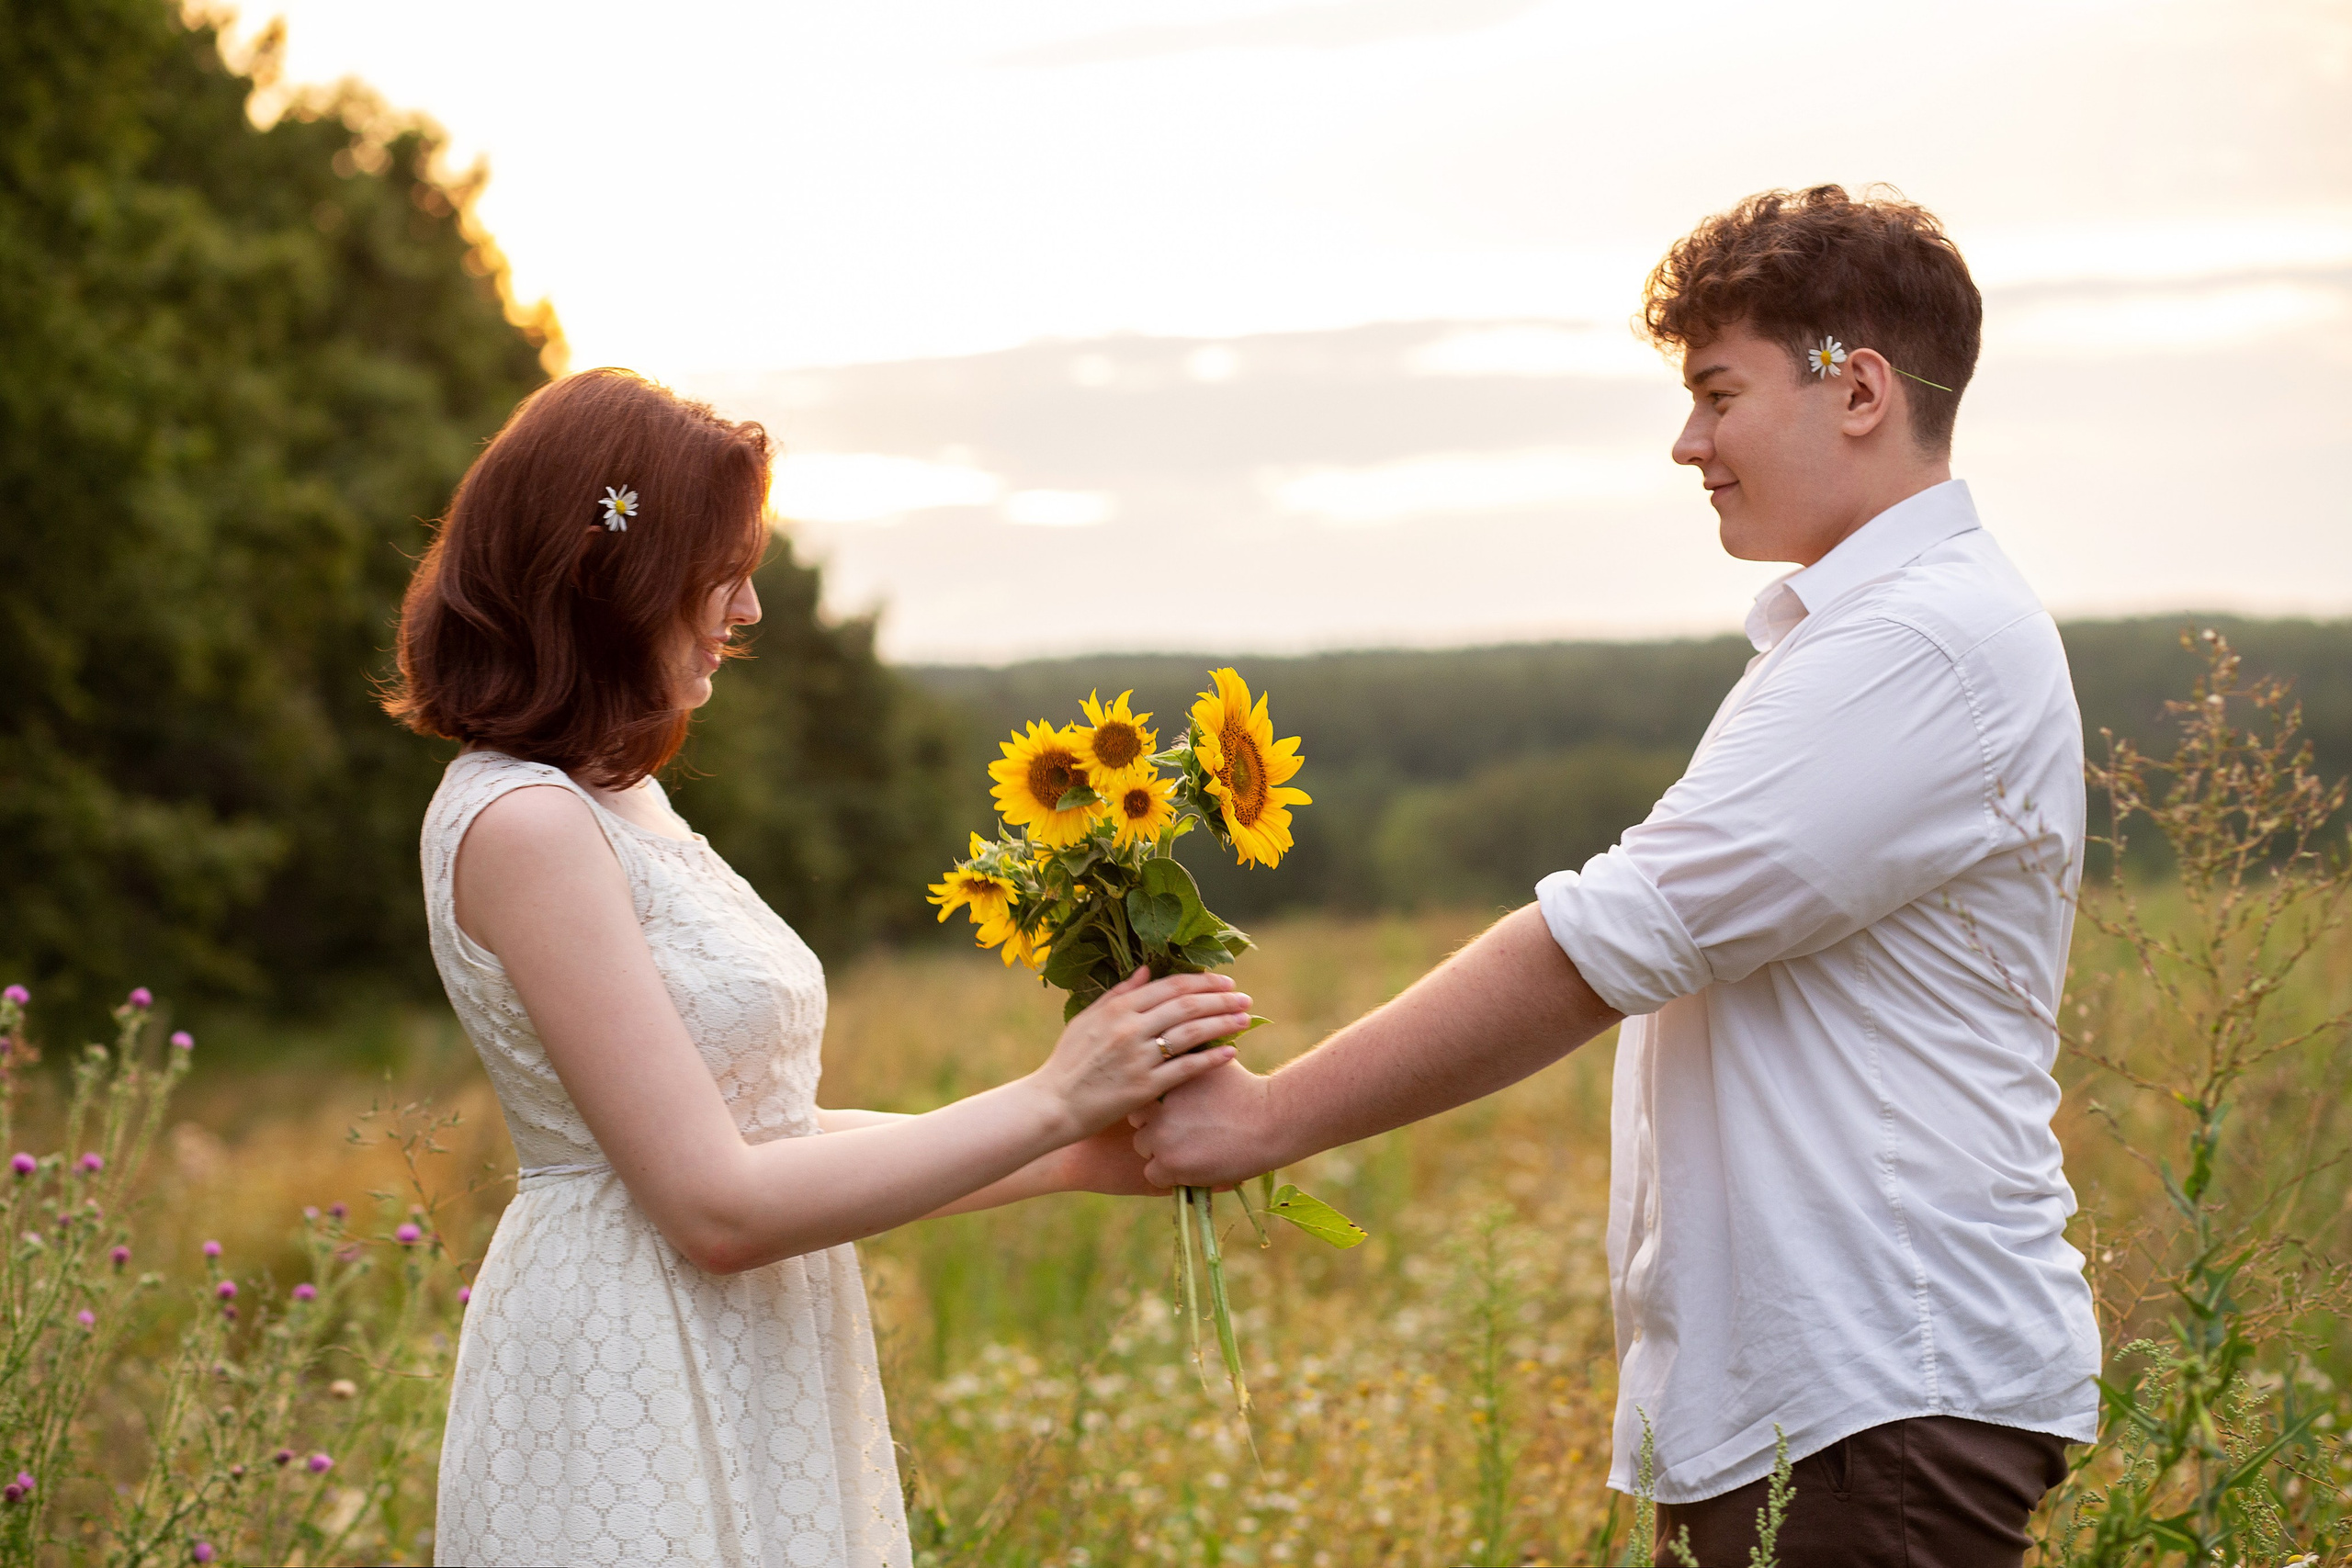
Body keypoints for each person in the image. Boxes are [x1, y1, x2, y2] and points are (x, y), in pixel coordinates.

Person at [1132, 186, 2098, 1568]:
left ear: (1859, 390)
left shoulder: (1916, 648)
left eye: (1719, 393)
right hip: (1839, 1397)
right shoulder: (1873, 633)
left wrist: (1266, 1120)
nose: (1688, 442)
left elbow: (1606, 942)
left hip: (1876, 1393)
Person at [384, 369, 1250, 1568]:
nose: (746, 610)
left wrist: (1071, 1153)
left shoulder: (619, 800)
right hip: (627, 1367)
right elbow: (718, 1206)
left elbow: (770, 1138)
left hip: (743, 1343)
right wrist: (1054, 1095)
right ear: (608, 574)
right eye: (719, 571)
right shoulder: (523, 824)